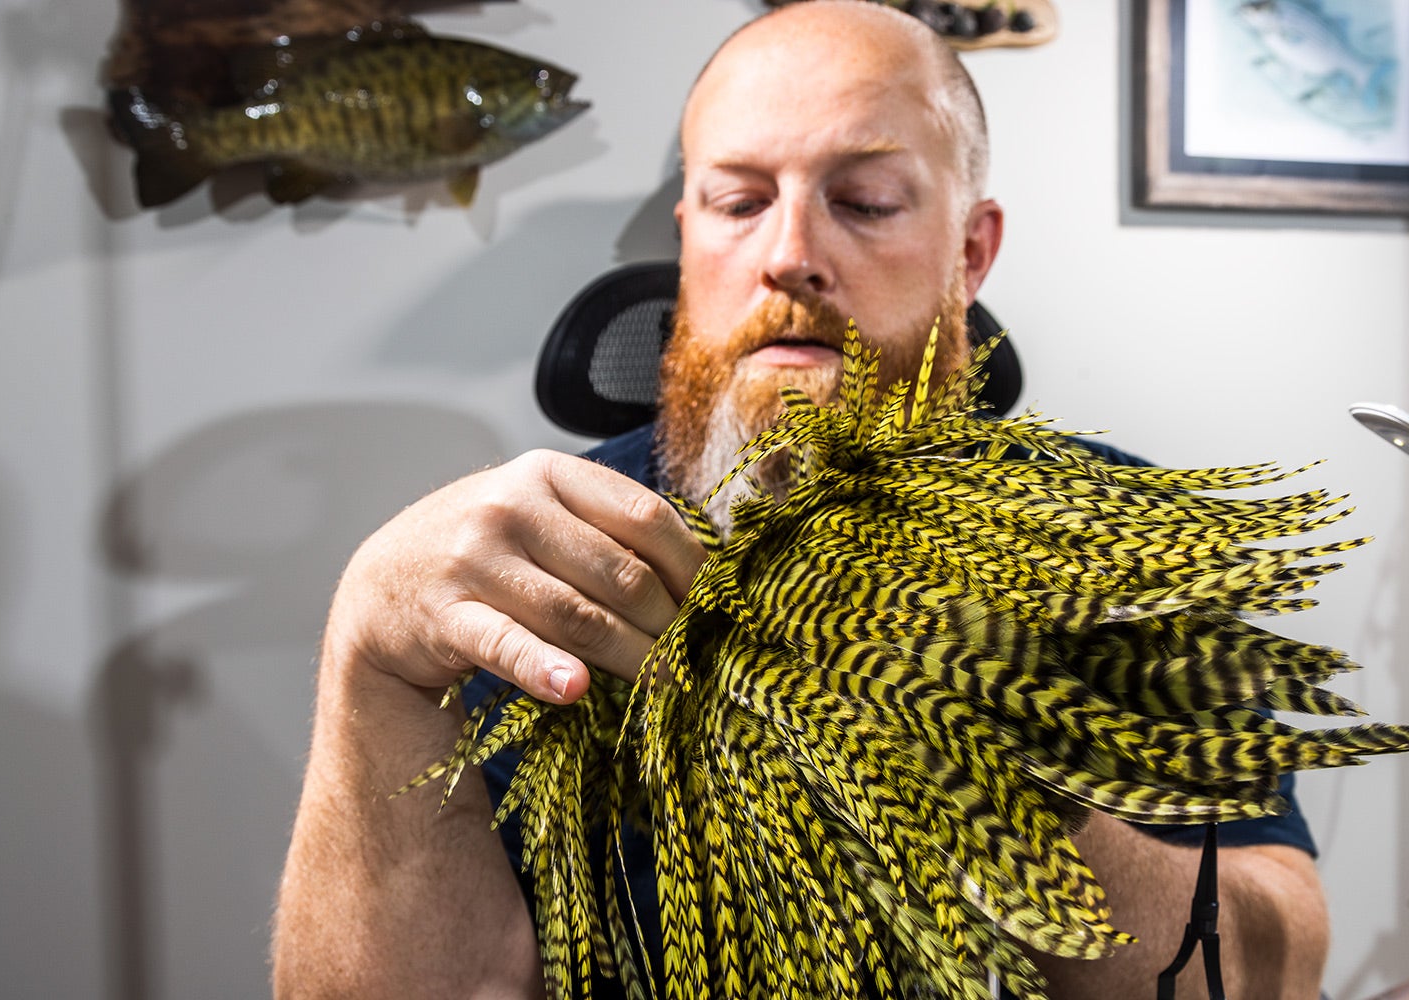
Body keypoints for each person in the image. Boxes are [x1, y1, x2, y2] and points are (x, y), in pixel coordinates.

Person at [271, 3, 1330, 997]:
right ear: (687, 240)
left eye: (863, 202)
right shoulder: (535, 568)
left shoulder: (1120, 545)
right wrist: (368, 654)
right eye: (739, 203)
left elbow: (1269, 968)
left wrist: (994, 774)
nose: (789, 254)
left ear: (970, 251)